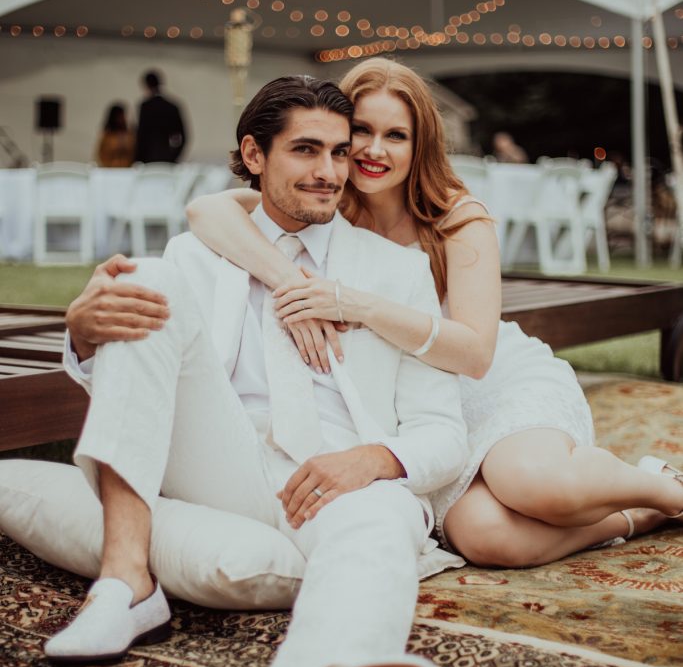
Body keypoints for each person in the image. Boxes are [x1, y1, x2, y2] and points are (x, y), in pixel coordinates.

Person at [46, 75, 468, 667]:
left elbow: (442, 431)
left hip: (332, 474)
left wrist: (370, 460)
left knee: (383, 510)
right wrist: (85, 336)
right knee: (141, 278)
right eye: (306, 150)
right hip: (218, 455)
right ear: (252, 154)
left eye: (339, 152)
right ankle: (126, 585)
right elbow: (143, 382)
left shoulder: (396, 270)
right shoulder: (197, 252)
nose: (330, 172)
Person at [185, 59, 683, 567]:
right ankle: (635, 517)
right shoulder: (326, 202)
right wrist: (291, 281)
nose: (374, 150)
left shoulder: (457, 218)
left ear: (419, 144)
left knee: (532, 483)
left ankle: (663, 488)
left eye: (396, 135)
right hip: (411, 409)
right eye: (361, 132)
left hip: (489, 384)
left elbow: (475, 355)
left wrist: (356, 304)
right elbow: (206, 212)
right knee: (485, 537)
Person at [135, 70, 187, 163]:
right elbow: (183, 136)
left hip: (148, 160)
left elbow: (141, 135)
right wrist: (174, 156)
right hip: (168, 158)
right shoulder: (172, 107)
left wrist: (140, 158)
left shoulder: (145, 107)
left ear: (146, 85)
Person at [95, 103, 136, 168]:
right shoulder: (107, 135)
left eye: (123, 115)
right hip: (110, 171)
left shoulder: (129, 135)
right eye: (120, 116)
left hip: (127, 171)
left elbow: (133, 153)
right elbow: (101, 153)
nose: (122, 118)